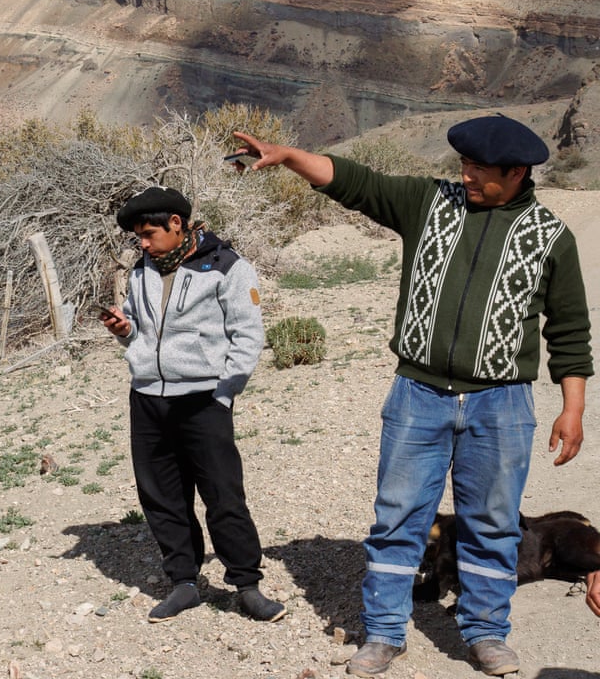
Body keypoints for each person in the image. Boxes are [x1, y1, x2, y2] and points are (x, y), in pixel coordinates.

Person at [231, 116, 593, 677]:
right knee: (398, 518)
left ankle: (486, 633)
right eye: (463, 165)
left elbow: (569, 331)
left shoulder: (551, 239)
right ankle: (383, 633)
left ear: (517, 173)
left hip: (502, 403)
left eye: (478, 169)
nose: (466, 176)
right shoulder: (429, 204)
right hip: (417, 394)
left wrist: (572, 408)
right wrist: (289, 155)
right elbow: (355, 182)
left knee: (493, 523)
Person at [98, 185, 286, 624]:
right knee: (161, 496)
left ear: (176, 224)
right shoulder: (142, 269)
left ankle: (247, 585)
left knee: (223, 494)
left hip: (204, 399)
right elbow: (142, 331)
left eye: (148, 233)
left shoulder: (228, 267)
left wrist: (223, 394)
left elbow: (248, 336)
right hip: (147, 398)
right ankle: (184, 583)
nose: (142, 244)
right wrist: (124, 331)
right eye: (137, 237)